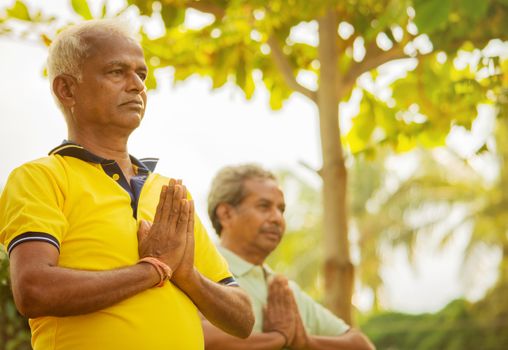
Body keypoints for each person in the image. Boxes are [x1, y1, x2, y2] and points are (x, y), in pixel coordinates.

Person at [0, 19, 254, 350]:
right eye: (116, 72)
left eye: (141, 74)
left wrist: (187, 274)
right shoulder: (41, 178)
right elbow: (34, 289)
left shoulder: (170, 195)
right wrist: (152, 269)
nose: (137, 85)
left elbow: (244, 319)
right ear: (66, 89)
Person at [203, 164, 375, 350]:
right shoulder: (197, 270)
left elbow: (362, 346)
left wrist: (303, 342)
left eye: (281, 209)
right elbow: (200, 339)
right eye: (264, 206)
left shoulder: (283, 291)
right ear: (226, 214)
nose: (277, 218)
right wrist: (278, 338)